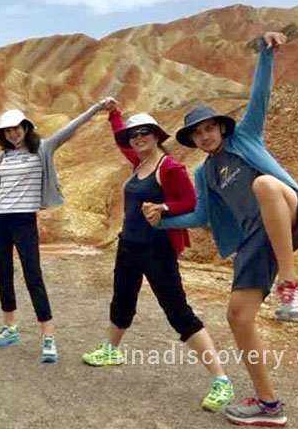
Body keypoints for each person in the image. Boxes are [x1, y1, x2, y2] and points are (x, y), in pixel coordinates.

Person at [152, 31, 298, 427]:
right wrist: (163, 218)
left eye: (210, 128)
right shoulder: (204, 172)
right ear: (192, 139)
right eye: (197, 132)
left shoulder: (246, 136)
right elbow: (200, 218)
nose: (205, 135)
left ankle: (290, 285)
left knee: (262, 184)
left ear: (222, 128)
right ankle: (269, 405)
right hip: (257, 239)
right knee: (237, 317)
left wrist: (265, 52)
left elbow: (260, 93)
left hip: (295, 212)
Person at [81, 101, 234, 412]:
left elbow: (191, 203)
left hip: (156, 249)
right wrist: (114, 116)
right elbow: (120, 141)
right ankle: (111, 349)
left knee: (177, 311)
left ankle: (221, 380)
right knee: (122, 299)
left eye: (144, 133)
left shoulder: (170, 168)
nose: (138, 138)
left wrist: (165, 208)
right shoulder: (137, 163)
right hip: (129, 245)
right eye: (134, 135)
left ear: (155, 136)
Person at [0, 99, 111, 363]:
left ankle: (48, 336)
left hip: (24, 220)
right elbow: (0, 189)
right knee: (3, 273)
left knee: (33, 275)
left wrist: (97, 108)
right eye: (6, 130)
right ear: (2, 134)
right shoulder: (3, 156)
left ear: (26, 127)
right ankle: (10, 327)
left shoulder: (43, 148)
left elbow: (70, 129)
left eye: (16, 128)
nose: (12, 133)